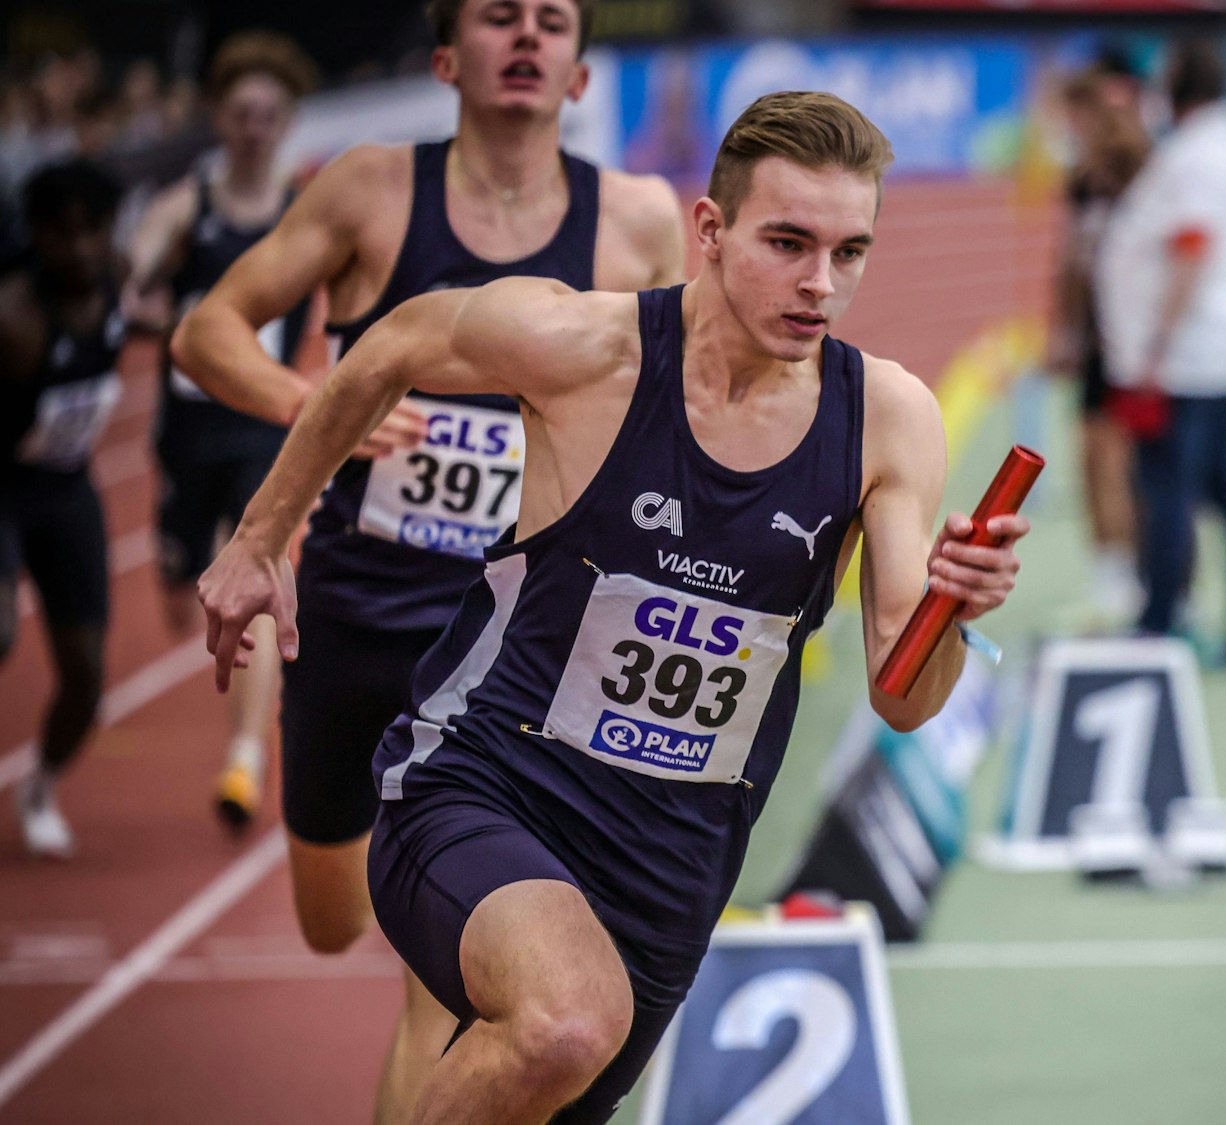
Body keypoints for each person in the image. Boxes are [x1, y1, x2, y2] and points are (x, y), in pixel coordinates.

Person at [197, 89, 1028, 1125]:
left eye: (849, 252)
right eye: (787, 242)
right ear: (710, 232)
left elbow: (904, 699)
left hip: (671, 860)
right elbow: (393, 344)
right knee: (564, 1021)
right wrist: (258, 538)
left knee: (556, 1065)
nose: (820, 283)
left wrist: (953, 605)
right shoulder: (584, 349)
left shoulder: (884, 420)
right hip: (489, 784)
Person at [171, 0, 685, 1117]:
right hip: (360, 615)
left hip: (517, 641)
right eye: (500, 17)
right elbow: (207, 329)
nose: (527, 37)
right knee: (332, 920)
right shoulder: (370, 190)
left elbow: (686, 400)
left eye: (552, 21)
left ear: (581, 75)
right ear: (449, 59)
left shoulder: (633, 224)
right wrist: (321, 402)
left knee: (440, 978)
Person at [123, 31, 320, 831]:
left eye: (270, 115)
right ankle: (185, 576)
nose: (256, 129)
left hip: (265, 428)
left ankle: (245, 755)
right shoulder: (185, 209)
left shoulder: (302, 213)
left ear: (287, 121)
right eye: (242, 114)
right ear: (219, 118)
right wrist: (175, 317)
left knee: (262, 588)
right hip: (187, 432)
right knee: (182, 586)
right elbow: (128, 293)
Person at [1094, 40, 1226, 662]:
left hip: (1189, 355)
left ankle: (1159, 620)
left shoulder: (1194, 157)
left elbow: (1192, 244)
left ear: (1178, 88)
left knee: (1170, 489)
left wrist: (1156, 347)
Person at [0, 159, 126, 859]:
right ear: (38, 236)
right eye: (61, 235)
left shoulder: (118, 274)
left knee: (86, 675)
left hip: (70, 487)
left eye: (92, 233)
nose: (78, 249)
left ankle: (40, 786)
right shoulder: (15, 319)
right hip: (7, 488)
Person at [1051, 55, 1149, 624]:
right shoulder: (1082, 183)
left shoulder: (1140, 174)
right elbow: (1069, 262)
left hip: (1130, 344)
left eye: (1080, 118)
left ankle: (1137, 581)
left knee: (1120, 465)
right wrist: (1064, 329)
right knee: (1094, 462)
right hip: (1096, 343)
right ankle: (1111, 578)